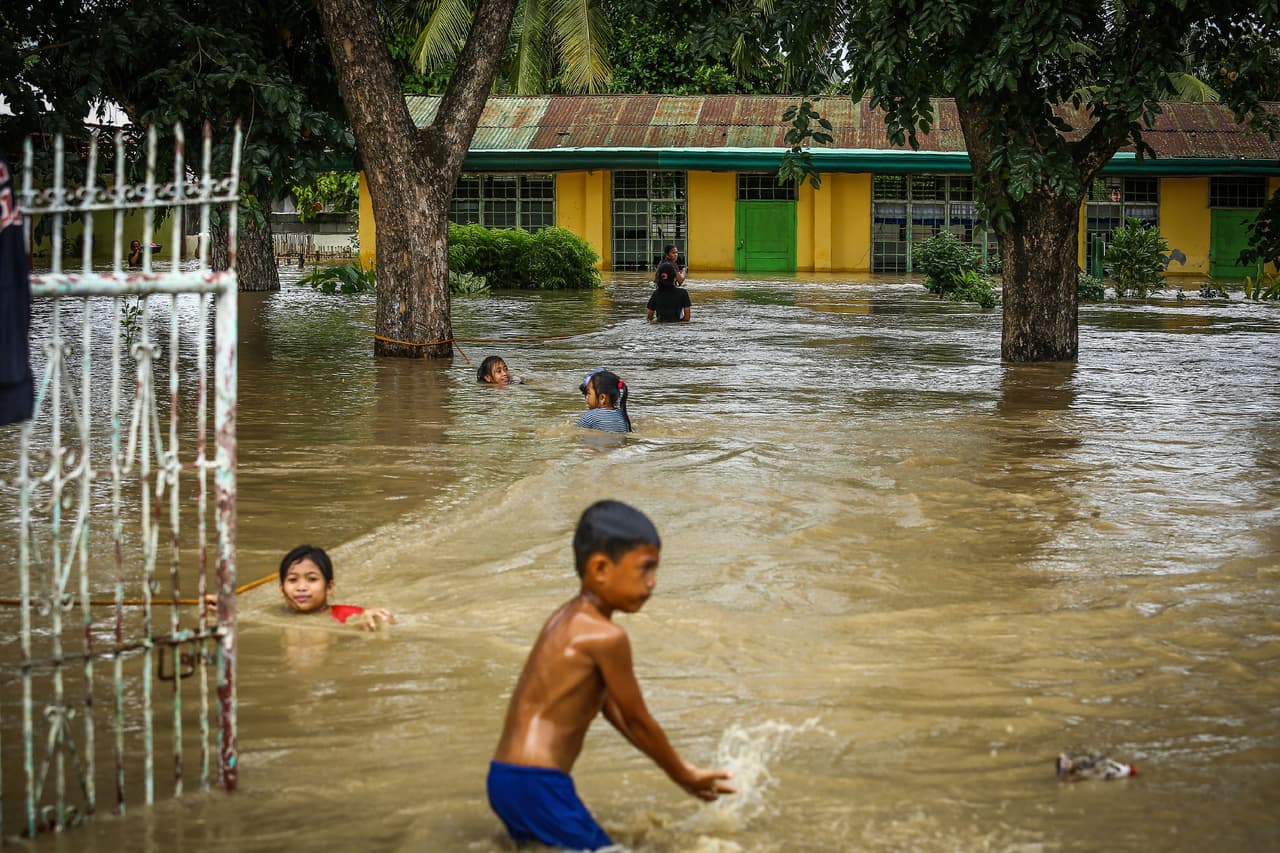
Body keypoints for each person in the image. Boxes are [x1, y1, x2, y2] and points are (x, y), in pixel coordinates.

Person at [487, 500, 734, 851]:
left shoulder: (566, 619)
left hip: (506, 778)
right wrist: (682, 773)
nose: (652, 583)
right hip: (538, 782)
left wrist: (677, 768)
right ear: (601, 568)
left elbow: (611, 709)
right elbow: (636, 718)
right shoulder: (606, 637)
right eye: (644, 570)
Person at [276, 544, 394, 631]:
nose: (301, 587)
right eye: (292, 580)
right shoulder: (277, 614)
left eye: (312, 579)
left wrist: (374, 615)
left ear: (329, 587)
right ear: (282, 589)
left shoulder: (344, 615)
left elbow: (384, 620)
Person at [576, 368, 631, 433]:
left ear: (602, 398)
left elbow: (577, 433)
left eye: (588, 393)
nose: (586, 397)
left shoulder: (589, 417)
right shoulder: (623, 416)